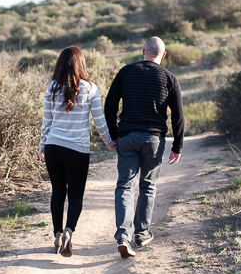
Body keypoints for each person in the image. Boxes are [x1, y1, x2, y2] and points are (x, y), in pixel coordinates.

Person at [104, 36, 184, 259]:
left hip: (127, 136)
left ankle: (122, 236)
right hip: (154, 139)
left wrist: (114, 135)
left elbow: (109, 106)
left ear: (143, 51)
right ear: (163, 55)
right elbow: (178, 116)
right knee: (147, 186)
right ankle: (142, 233)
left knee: (125, 186)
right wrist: (177, 146)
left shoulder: (126, 72)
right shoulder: (170, 78)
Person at [40, 46, 116, 257]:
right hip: (78, 150)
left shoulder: (52, 87)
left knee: (57, 191)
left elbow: (46, 122)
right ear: (81, 63)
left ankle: (56, 234)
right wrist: (109, 141)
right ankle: (69, 231)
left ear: (60, 64)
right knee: (75, 196)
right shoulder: (91, 88)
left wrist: (42, 146)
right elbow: (99, 122)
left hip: (54, 147)